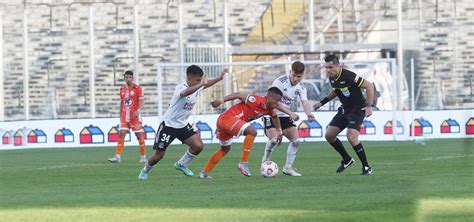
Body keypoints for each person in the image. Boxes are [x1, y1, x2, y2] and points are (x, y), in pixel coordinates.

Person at [138, 65, 227, 180]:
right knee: (159, 155)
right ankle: (145, 170)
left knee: (198, 146)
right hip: (168, 125)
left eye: (200, 80)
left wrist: (219, 78)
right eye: (198, 80)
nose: (201, 82)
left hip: (182, 125)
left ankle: (181, 164)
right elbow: (185, 93)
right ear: (190, 79)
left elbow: (205, 84)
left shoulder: (196, 86)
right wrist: (201, 83)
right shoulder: (181, 87)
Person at [199, 87, 299, 179]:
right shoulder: (257, 100)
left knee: (225, 149)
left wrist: (279, 131)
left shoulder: (269, 109)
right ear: (269, 97)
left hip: (225, 122)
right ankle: (244, 163)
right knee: (252, 131)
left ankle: (204, 173)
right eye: (276, 100)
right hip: (228, 119)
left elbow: (275, 117)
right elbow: (238, 94)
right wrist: (220, 101)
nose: (277, 103)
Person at [313, 54, 374, 175]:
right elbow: (337, 90)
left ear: (338, 65)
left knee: (351, 136)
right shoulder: (332, 78)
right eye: (326, 67)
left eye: (330, 67)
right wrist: (322, 102)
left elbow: (369, 85)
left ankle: (366, 167)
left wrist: (369, 106)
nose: (328, 70)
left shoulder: (348, 76)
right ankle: (347, 160)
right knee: (329, 135)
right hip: (345, 109)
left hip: (357, 109)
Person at [261, 61, 315, 177]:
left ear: (302, 75)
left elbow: (305, 102)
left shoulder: (301, 87)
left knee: (295, 141)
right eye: (294, 75)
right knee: (273, 140)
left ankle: (288, 168)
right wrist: (291, 113)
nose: (295, 78)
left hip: (285, 116)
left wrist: (308, 113)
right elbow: (274, 103)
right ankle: (265, 160)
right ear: (290, 72)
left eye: (299, 76)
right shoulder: (280, 82)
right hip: (271, 113)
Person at [108, 70, 147, 164]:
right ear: (124, 78)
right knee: (121, 134)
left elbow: (142, 101)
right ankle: (117, 157)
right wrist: (120, 113)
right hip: (125, 116)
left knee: (139, 136)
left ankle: (143, 157)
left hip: (135, 117)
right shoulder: (122, 89)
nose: (128, 79)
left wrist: (138, 110)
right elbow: (122, 102)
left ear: (132, 78)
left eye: (130, 77)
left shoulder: (137, 88)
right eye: (126, 77)